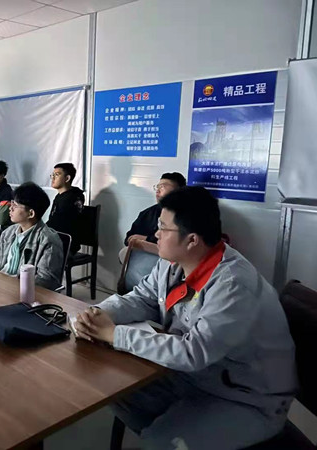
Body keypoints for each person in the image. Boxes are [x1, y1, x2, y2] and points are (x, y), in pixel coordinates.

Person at [75, 186, 297, 450]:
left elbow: (194, 351)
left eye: (162, 227)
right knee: (112, 389)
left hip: (245, 399)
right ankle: (165, 429)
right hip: (198, 376)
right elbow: (142, 298)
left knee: (159, 442)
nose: (156, 233)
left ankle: (165, 434)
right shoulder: (172, 262)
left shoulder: (233, 285)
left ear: (191, 240)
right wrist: (99, 314)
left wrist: (114, 335)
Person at [0, 182, 64, 291]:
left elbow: (45, 279)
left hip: (24, 291)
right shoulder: (8, 232)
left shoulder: (48, 240)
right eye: (12, 203)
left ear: (31, 213)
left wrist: (11, 284)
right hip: (0, 285)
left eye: (15, 205)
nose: (10, 208)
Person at [123, 172, 186, 256]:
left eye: (162, 187)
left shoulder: (185, 215)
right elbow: (129, 238)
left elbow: (179, 241)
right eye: (157, 187)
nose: (157, 191)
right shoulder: (148, 213)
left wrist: (146, 239)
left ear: (178, 190)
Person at [47, 162, 85, 253]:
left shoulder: (71, 198)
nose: (53, 178)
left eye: (57, 175)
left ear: (67, 178)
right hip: (58, 238)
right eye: (52, 175)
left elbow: (57, 224)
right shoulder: (62, 196)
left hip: (65, 242)